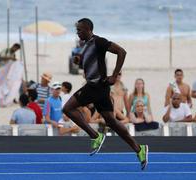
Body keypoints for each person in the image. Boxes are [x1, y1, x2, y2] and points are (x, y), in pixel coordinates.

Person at [62, 18, 147, 170]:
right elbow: (88, 63)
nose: (77, 33)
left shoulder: (99, 42)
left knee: (68, 109)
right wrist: (78, 61)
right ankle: (139, 150)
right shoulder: (85, 45)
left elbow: (122, 52)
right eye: (77, 30)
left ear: (88, 29)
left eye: (80, 30)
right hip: (99, 89)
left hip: (96, 86)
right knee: (111, 121)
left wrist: (114, 75)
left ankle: (95, 136)